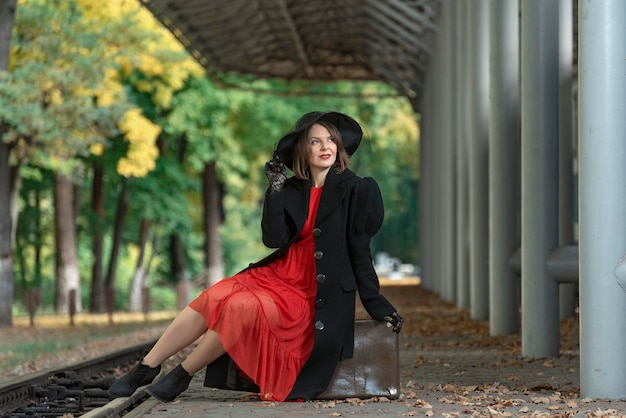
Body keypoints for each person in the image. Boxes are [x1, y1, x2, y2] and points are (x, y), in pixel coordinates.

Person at [108, 111, 403, 403]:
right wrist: (275, 191)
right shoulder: (290, 190)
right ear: (303, 148)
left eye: (331, 140)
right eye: (315, 141)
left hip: (313, 290)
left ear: (339, 147)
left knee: (241, 306)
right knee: (215, 296)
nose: (325, 147)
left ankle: (182, 375)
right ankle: (147, 367)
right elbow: (273, 240)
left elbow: (360, 252)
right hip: (279, 275)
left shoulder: (358, 189)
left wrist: (375, 302)